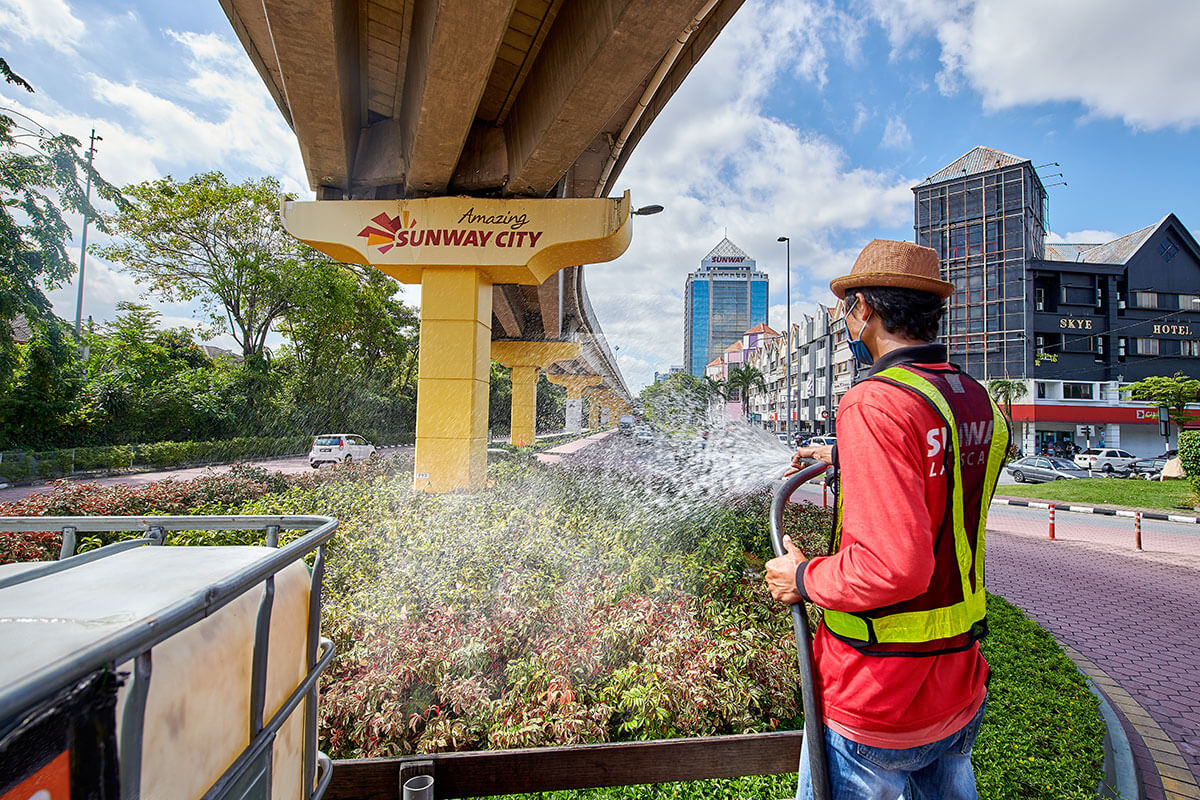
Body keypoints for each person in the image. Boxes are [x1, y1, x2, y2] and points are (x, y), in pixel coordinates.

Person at [765, 239, 1009, 800]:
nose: (848, 321)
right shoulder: (976, 398)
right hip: (957, 684)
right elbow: (940, 472)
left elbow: (892, 569)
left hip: (877, 695)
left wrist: (803, 578)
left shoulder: (874, 402)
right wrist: (848, 455)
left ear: (866, 311)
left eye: (849, 307)